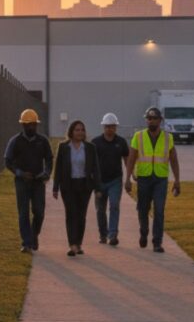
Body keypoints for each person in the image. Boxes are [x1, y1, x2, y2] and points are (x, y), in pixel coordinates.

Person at [125, 106, 181, 253]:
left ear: (160, 120)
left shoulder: (168, 138)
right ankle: (143, 232)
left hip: (160, 179)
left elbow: (174, 160)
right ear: (146, 120)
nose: (151, 121)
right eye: (149, 118)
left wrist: (177, 180)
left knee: (159, 209)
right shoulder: (138, 136)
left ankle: (157, 242)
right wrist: (127, 178)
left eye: (154, 118)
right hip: (143, 178)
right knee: (143, 208)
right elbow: (131, 158)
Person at [4, 108, 53, 253]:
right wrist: (20, 173)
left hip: (38, 181)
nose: (31, 127)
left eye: (33, 124)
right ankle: (26, 243)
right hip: (22, 182)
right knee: (23, 212)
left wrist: (46, 173)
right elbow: (8, 161)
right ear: (23, 125)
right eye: (28, 124)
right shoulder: (15, 141)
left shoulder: (42, 141)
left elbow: (49, 159)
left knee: (39, 212)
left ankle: (34, 235)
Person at [53, 120, 101, 257]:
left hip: (84, 186)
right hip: (68, 186)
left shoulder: (90, 147)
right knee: (71, 214)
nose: (80, 132)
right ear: (71, 132)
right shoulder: (63, 147)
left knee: (81, 216)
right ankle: (72, 244)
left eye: (82, 130)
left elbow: (95, 169)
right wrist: (55, 187)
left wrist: (98, 188)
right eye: (77, 130)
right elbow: (58, 168)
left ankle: (78, 243)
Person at [92, 113, 129, 246]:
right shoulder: (95, 143)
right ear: (103, 127)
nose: (110, 129)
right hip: (99, 181)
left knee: (114, 205)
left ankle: (112, 235)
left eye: (112, 126)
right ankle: (103, 234)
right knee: (100, 209)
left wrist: (130, 175)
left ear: (116, 127)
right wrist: (92, 181)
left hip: (115, 180)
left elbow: (126, 159)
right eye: (107, 126)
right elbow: (90, 163)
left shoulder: (121, 142)